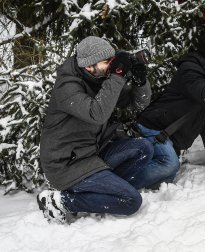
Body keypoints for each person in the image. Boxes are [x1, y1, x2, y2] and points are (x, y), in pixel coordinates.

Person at [38, 36, 153, 223]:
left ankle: (101, 189)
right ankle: (62, 201)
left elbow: (137, 105)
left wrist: (141, 82)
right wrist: (116, 75)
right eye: (107, 62)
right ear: (89, 66)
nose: (111, 66)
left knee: (144, 148)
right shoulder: (67, 87)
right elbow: (97, 113)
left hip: (91, 154)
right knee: (131, 200)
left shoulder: (99, 78)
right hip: (67, 165)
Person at [136, 31, 205, 169]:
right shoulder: (190, 70)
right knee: (169, 167)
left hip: (167, 138)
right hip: (152, 131)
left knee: (170, 166)